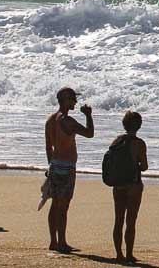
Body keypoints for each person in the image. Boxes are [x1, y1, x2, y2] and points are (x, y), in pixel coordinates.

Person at [43, 87, 94, 253]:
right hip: (67, 167)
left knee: (54, 204)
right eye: (72, 98)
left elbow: (48, 147)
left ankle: (53, 241)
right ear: (65, 100)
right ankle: (62, 242)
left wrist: (50, 166)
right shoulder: (67, 121)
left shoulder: (50, 120)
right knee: (63, 207)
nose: (75, 102)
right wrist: (88, 116)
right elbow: (89, 133)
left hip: (55, 165)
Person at [109, 111, 148, 264]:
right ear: (139, 126)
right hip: (133, 185)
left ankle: (119, 254)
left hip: (118, 184)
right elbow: (144, 166)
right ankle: (130, 254)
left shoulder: (116, 141)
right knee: (130, 221)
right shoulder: (139, 143)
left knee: (118, 220)